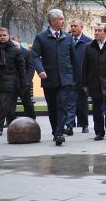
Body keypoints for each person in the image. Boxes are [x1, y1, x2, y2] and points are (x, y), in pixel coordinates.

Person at [31, 9, 76, 146]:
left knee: (62, 105)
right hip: (49, 78)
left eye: (63, 19)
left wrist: (75, 77)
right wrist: (40, 70)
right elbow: (34, 56)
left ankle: (59, 133)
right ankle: (55, 131)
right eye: (61, 19)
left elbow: (73, 59)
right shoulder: (41, 38)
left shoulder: (68, 37)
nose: (63, 21)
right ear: (52, 21)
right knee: (52, 107)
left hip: (66, 78)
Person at [64, 19, 92, 136]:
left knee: (82, 103)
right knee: (70, 102)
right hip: (70, 77)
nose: (72, 28)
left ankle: (84, 124)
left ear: (81, 27)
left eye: (75, 26)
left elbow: (91, 62)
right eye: (71, 26)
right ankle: (69, 125)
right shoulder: (66, 41)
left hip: (83, 78)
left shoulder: (88, 42)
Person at [10, 35, 36, 120]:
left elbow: (31, 68)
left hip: (24, 82)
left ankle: (31, 119)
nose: (13, 41)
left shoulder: (27, 52)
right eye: (11, 40)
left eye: (14, 39)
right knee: (10, 103)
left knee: (27, 102)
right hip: (12, 82)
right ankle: (10, 121)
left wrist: (28, 81)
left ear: (19, 41)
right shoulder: (8, 52)